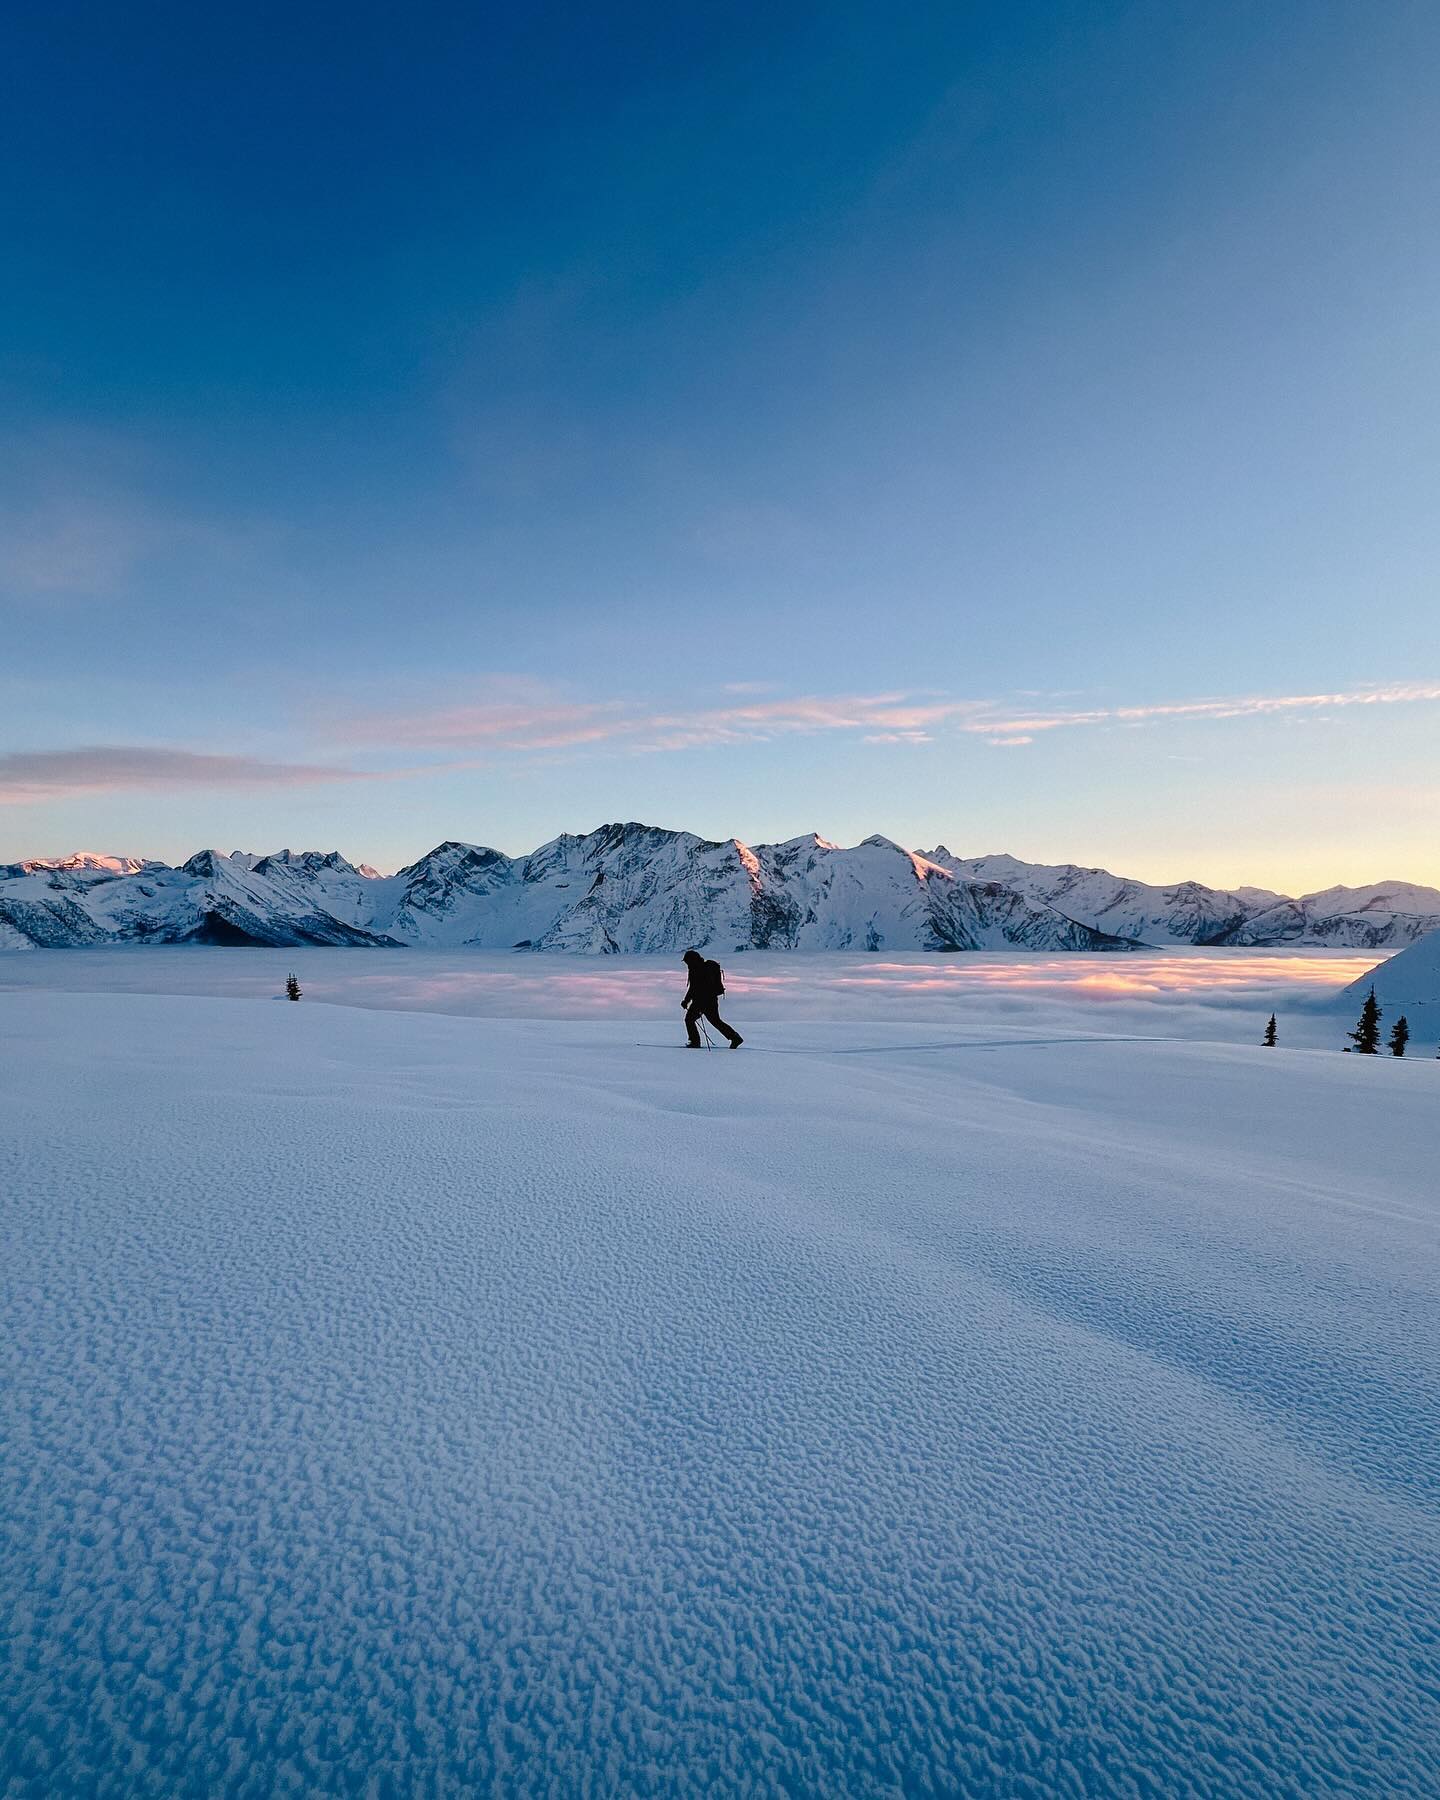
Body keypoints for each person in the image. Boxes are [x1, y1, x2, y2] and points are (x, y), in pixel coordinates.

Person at [681, 949, 743, 1048]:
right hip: (711, 999)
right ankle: (735, 1037)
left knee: (689, 1019)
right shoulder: (705, 968)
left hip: (701, 1000)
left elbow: (693, 988)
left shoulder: (696, 969)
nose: (687, 964)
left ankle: (695, 1042)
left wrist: (686, 1001)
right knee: (715, 1021)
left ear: (692, 960)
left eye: (687, 961)